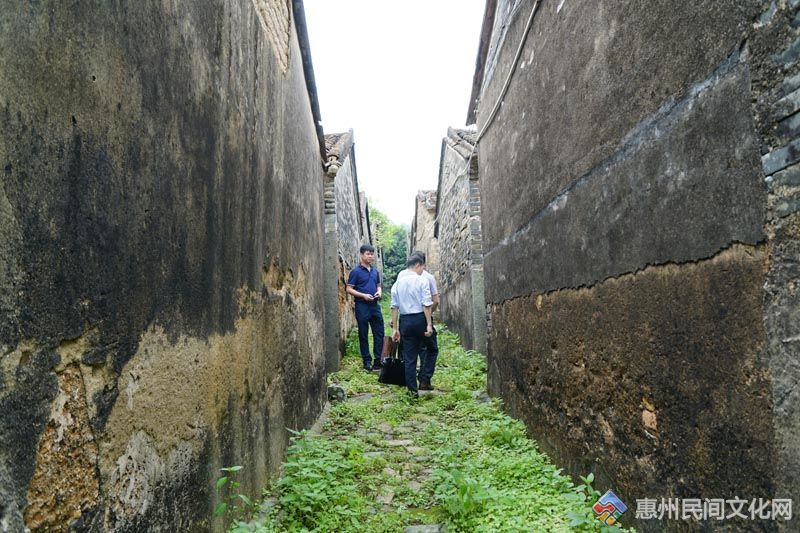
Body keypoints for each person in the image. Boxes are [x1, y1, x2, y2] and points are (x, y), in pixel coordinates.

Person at [390, 255, 433, 397]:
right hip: (420, 318)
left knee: (409, 357)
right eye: (423, 267)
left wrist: (395, 328)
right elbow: (426, 304)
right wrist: (429, 324)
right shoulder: (422, 280)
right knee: (431, 348)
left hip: (405, 321)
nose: (423, 270)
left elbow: (394, 307)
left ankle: (412, 391)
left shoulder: (397, 283)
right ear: (418, 265)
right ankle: (425, 378)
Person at [346, 244, 384, 371]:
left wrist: (379, 292)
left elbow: (378, 285)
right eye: (368, 254)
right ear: (362, 255)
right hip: (362, 305)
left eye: (372, 254)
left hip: (375, 305)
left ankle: (378, 360)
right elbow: (349, 289)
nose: (370, 256)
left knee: (379, 333)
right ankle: (366, 361)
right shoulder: (355, 272)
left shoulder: (375, 271)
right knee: (363, 334)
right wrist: (363, 295)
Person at [411, 251, 439, 391]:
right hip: (424, 318)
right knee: (431, 349)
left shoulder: (404, 277)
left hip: (409, 319)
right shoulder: (429, 278)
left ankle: (411, 383)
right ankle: (425, 378)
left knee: (415, 350)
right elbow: (436, 301)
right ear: (422, 264)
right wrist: (428, 315)